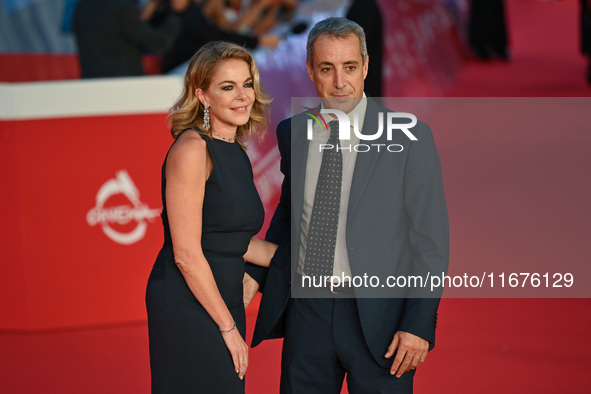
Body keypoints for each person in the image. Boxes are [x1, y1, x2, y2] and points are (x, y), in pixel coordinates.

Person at [244, 17, 449, 393]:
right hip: (308, 315)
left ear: (366, 66)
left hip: (380, 320)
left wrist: (418, 325)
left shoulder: (410, 138)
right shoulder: (293, 133)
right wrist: (257, 273)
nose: (340, 82)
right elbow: (290, 214)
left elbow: (431, 244)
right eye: (327, 68)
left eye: (350, 67)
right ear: (310, 70)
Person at [145, 41, 277, 393]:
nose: (242, 96)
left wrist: (309, 261)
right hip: (188, 300)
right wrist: (229, 327)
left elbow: (230, 240)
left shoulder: (235, 150)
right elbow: (186, 255)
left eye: (247, 84)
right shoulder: (192, 149)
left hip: (222, 297)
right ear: (202, 95)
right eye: (227, 87)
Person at [72, 0, 181, 78]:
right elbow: (160, 44)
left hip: (91, 86)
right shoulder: (119, 8)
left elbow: (116, 34)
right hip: (123, 88)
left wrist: (148, 12)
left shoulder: (82, 7)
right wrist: (177, 12)